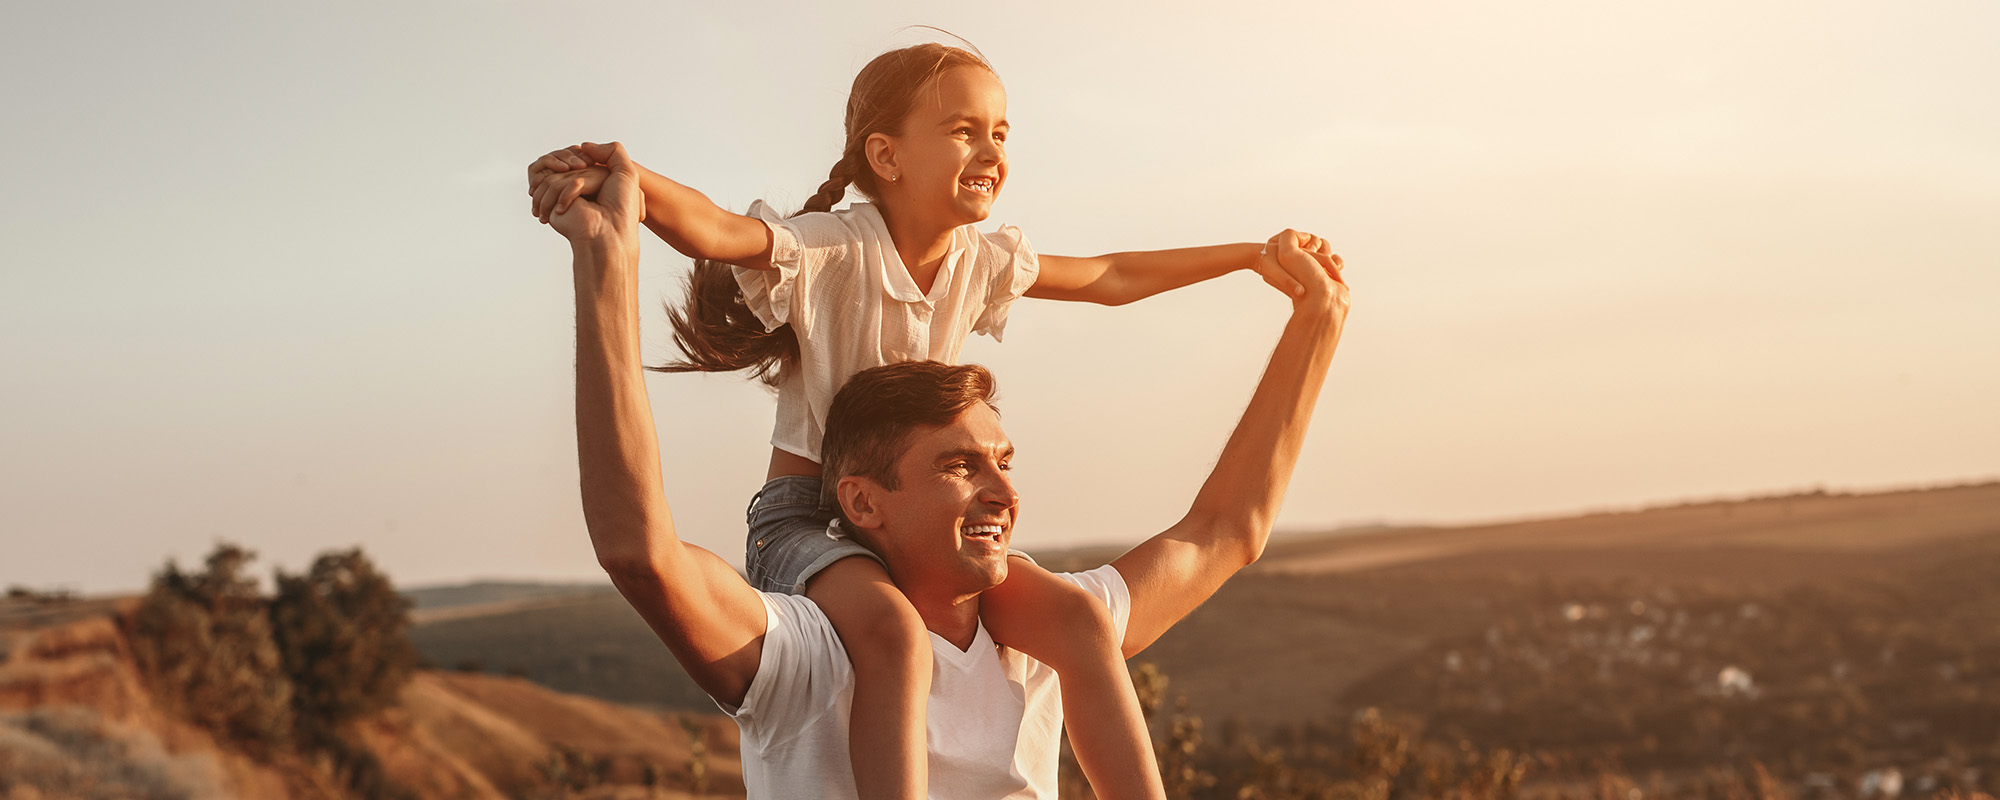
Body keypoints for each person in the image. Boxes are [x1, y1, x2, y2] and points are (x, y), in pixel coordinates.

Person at [526, 41, 1332, 800]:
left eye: (1001, 133)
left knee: (1081, 619)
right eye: (963, 131)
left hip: (909, 519)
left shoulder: (981, 261)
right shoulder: (832, 251)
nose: (992, 151)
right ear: (887, 156)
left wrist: (1248, 256)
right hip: (807, 520)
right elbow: (716, 229)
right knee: (894, 637)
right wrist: (622, 178)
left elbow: (1110, 276)